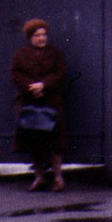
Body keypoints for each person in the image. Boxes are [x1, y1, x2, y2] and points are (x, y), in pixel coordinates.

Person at [10, 18, 68, 192]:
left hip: (51, 100)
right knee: (32, 139)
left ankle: (58, 178)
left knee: (55, 141)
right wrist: (32, 87)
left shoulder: (55, 53)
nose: (42, 38)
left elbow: (60, 72)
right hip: (28, 101)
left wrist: (43, 85)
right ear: (30, 37)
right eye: (37, 35)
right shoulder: (20, 54)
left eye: (44, 35)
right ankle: (39, 178)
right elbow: (15, 73)